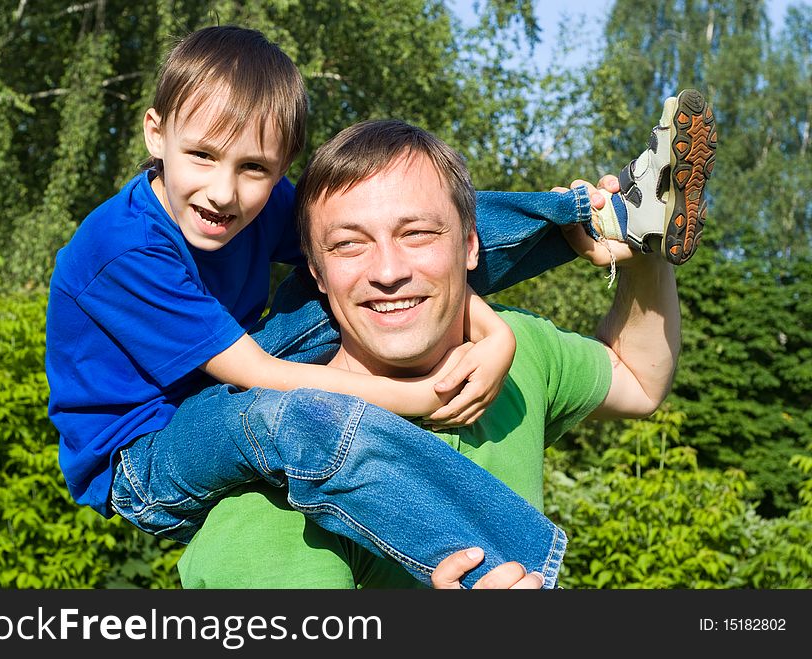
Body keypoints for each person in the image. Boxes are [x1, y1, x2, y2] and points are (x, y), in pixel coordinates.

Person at [178, 92, 717, 589]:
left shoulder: (520, 351)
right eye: (348, 245)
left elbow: (638, 378)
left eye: (416, 234)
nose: (387, 271)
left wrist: (645, 252)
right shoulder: (283, 488)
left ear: (470, 246)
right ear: (316, 274)